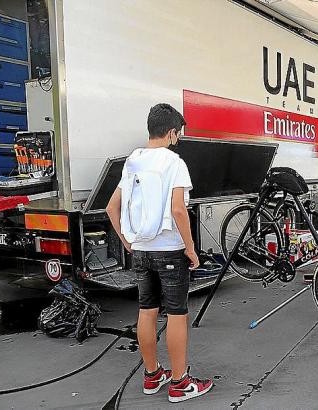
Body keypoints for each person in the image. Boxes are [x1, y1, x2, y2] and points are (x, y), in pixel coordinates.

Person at [106, 103, 213, 403]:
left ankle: (152, 375)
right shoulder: (174, 162)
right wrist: (191, 249)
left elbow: (111, 207)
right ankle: (180, 383)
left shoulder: (133, 161)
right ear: (170, 132)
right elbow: (178, 209)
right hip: (169, 251)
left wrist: (127, 240)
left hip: (140, 250)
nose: (178, 139)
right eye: (178, 134)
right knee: (177, 314)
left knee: (147, 310)